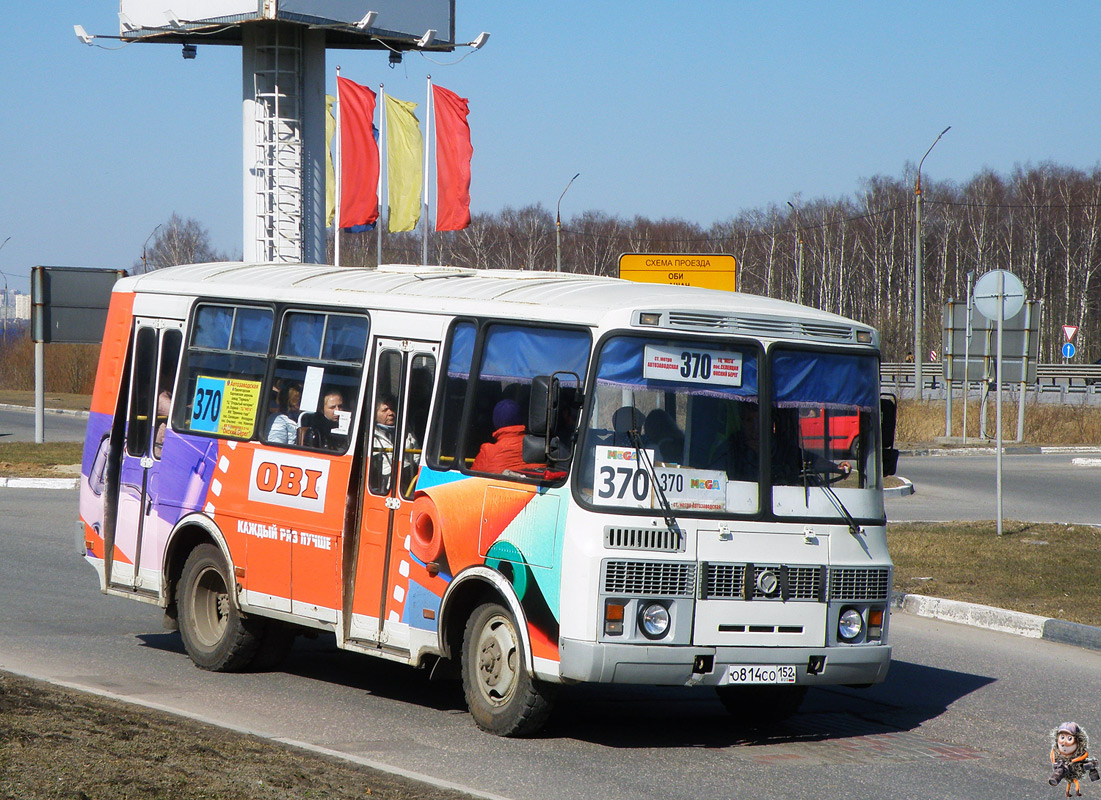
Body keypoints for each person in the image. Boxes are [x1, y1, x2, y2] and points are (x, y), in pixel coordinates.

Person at [472, 398, 545, 474]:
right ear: (521, 419)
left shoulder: (488, 453)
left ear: (495, 422)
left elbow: (470, 479)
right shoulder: (539, 448)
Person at [371, 393, 418, 492]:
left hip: (405, 483)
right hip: (380, 485)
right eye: (385, 410)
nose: (391, 413)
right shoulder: (370, 435)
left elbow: (417, 458)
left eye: (393, 409)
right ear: (375, 414)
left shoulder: (407, 433)